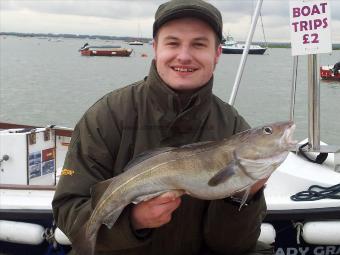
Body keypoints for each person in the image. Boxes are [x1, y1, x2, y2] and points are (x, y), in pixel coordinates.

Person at [52, 0, 273, 254]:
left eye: (199, 44)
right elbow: (69, 211)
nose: (184, 56)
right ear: (156, 48)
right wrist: (134, 220)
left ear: (217, 53)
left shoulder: (233, 126)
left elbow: (232, 245)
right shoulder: (106, 116)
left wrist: (243, 196)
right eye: (173, 43)